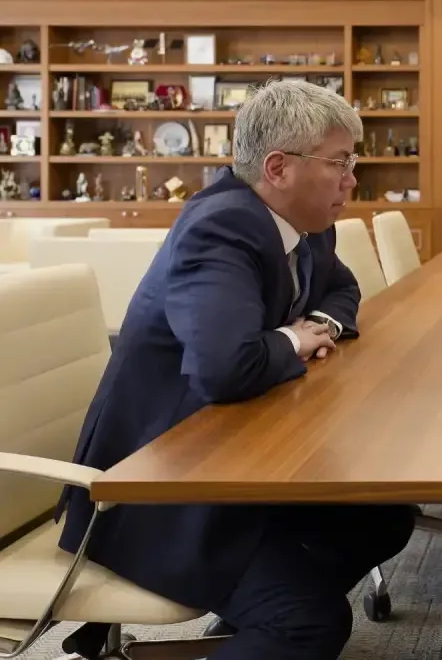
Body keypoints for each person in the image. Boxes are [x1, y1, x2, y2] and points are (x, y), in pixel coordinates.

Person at [56, 79, 416, 660]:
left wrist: (315, 326)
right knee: (309, 624)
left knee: (384, 520)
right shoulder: (221, 227)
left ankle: (246, 617)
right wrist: (292, 340)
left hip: (234, 454)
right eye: (340, 163)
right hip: (157, 491)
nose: (352, 179)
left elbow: (343, 289)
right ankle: (272, 618)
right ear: (278, 167)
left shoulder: (305, 222)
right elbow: (225, 368)